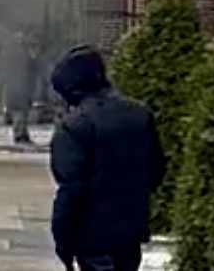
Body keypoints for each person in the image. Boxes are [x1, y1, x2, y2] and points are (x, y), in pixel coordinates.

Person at [49, 45, 165, 271]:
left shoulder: (75, 127)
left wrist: (63, 242)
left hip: (92, 236)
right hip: (130, 233)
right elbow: (155, 171)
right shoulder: (139, 115)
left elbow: (71, 191)